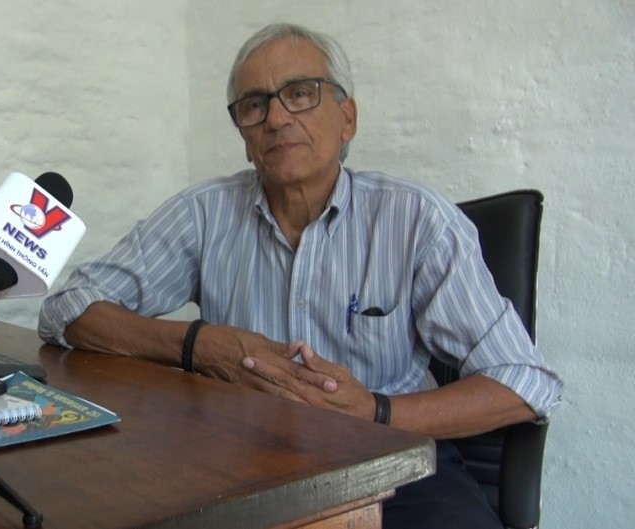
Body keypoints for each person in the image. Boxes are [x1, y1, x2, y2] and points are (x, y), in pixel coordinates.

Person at [38, 22, 562, 529]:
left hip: (393, 462)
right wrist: (197, 344)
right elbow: (67, 307)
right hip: (240, 461)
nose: (276, 117)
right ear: (245, 138)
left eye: (300, 93)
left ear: (347, 118)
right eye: (254, 105)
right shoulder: (203, 214)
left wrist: (375, 412)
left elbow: (525, 382)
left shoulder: (416, 221)